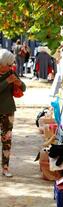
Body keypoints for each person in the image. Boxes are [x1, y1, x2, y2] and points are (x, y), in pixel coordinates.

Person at [0, 49, 26, 177]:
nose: (11, 67)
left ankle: (5, 168)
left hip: (8, 111)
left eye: (11, 65)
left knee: (7, 140)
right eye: (8, 65)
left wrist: (19, 83)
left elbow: (24, 87)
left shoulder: (11, 72)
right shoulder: (7, 76)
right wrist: (7, 82)